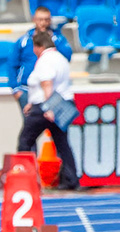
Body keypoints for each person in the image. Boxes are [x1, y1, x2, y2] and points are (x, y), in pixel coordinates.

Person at [19, 30, 78, 191]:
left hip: (46, 106)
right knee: (62, 143)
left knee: (25, 141)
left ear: (39, 46)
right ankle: (70, 179)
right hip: (63, 103)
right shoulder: (61, 59)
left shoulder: (45, 60)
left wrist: (49, 107)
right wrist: (32, 101)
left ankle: (26, 179)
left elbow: (47, 84)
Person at [9, 7, 71, 104]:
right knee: (31, 119)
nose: (43, 23)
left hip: (51, 88)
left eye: (46, 20)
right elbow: (12, 64)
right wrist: (15, 89)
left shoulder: (58, 39)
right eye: (40, 19)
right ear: (34, 20)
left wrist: (52, 40)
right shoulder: (24, 41)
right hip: (26, 90)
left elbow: (67, 57)